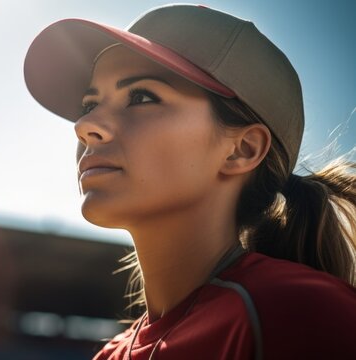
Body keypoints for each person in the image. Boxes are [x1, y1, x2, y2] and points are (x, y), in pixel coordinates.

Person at [23, 4, 356, 360]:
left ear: (242, 150)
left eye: (141, 97)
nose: (84, 126)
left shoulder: (300, 314)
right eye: (90, 104)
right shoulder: (110, 355)